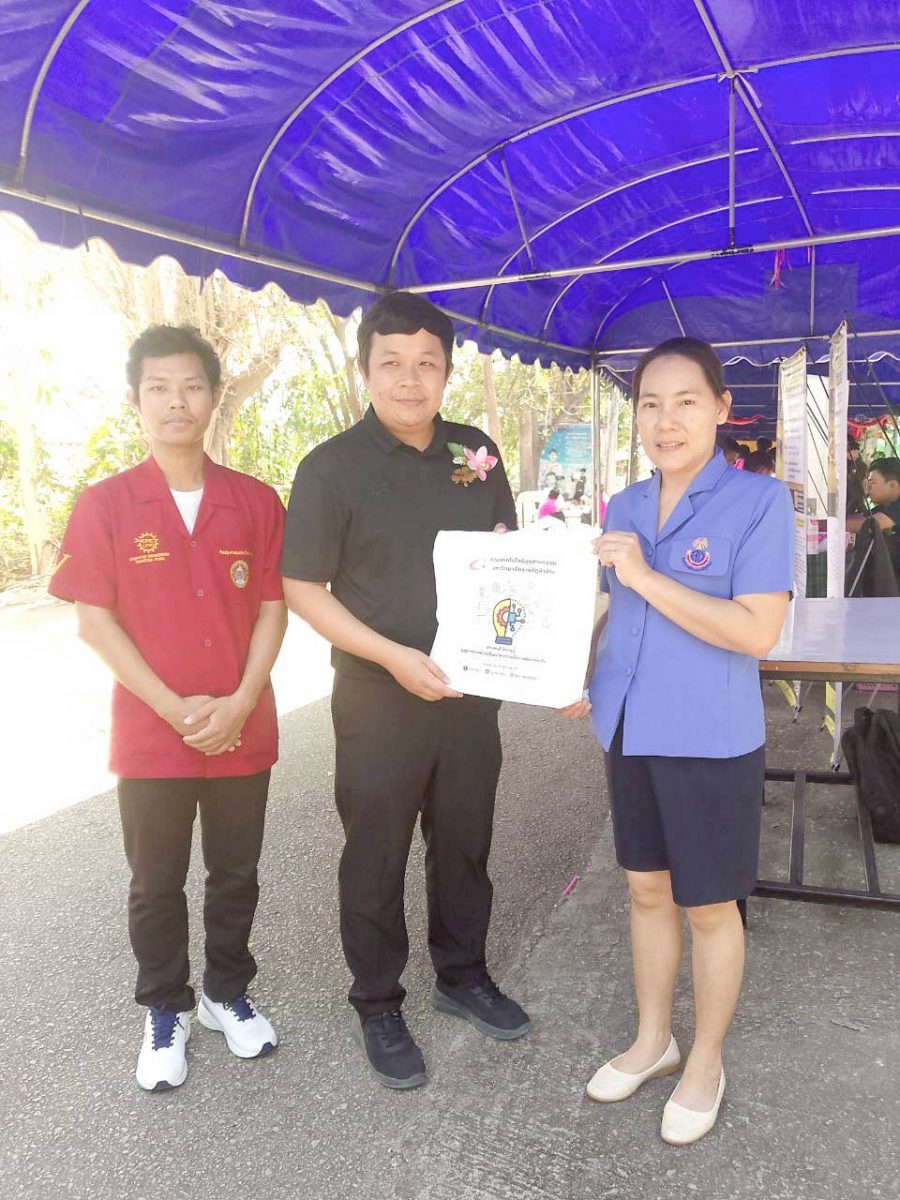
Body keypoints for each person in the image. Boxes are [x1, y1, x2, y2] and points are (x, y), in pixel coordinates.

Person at [281, 291, 529, 1091]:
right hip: (377, 697)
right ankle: (377, 1001)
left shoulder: (475, 452)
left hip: (468, 693)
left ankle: (463, 975)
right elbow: (302, 587)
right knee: (376, 850)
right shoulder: (330, 468)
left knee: (464, 840)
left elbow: (510, 564)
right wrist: (392, 656)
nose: (410, 379)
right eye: (391, 363)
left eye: (427, 363)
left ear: (447, 371)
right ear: (366, 370)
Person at [561, 336, 792, 1146]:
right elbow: (605, 609)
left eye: (685, 402)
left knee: (709, 907)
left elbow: (757, 630)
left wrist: (648, 577)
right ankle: (653, 1039)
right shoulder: (624, 505)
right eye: (651, 404)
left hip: (710, 736)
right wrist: (574, 670)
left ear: (722, 409)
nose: (666, 421)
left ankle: (706, 1060)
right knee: (646, 892)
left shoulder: (760, 502)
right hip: (631, 726)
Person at [48, 325, 287, 1092]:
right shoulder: (106, 504)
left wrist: (240, 701)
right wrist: (174, 708)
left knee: (235, 873)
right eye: (159, 387)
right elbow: (93, 620)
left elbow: (274, 608)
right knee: (155, 882)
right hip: (152, 736)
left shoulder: (255, 502)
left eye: (191, 386)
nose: (176, 401)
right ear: (136, 399)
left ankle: (225, 993)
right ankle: (165, 1007)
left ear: (214, 397)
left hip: (242, 729)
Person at [848, 457, 900, 578]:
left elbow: (868, 524)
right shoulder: (885, 507)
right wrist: (856, 496)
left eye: (872, 482)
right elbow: (858, 519)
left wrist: (829, 525)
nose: (868, 487)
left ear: (892, 484)